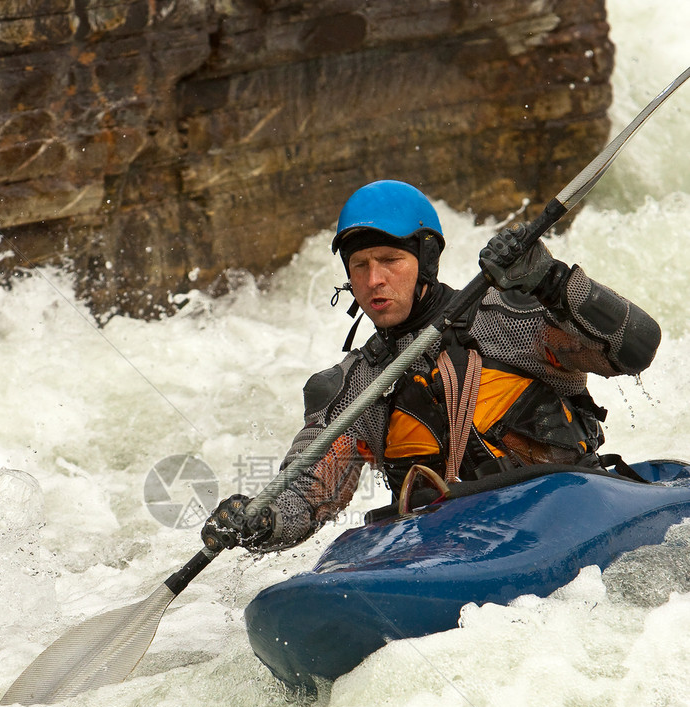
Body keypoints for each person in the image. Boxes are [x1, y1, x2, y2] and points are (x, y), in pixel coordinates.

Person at [201, 179, 661, 553]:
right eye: (358, 265)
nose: (373, 280)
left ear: (426, 260)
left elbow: (636, 347)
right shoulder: (357, 386)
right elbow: (309, 494)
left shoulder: (512, 319)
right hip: (451, 545)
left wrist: (554, 282)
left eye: (388, 260)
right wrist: (263, 520)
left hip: (567, 511)